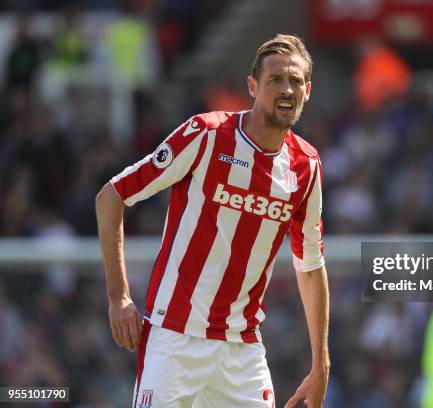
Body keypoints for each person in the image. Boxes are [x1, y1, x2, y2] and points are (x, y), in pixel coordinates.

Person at [95, 34, 330, 408]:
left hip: (242, 350)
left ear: (308, 90)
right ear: (252, 86)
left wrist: (321, 364)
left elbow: (311, 265)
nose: (287, 89)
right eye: (275, 80)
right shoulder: (206, 135)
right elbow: (111, 197)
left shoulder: (307, 166)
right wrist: (118, 297)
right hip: (174, 337)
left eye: (296, 81)